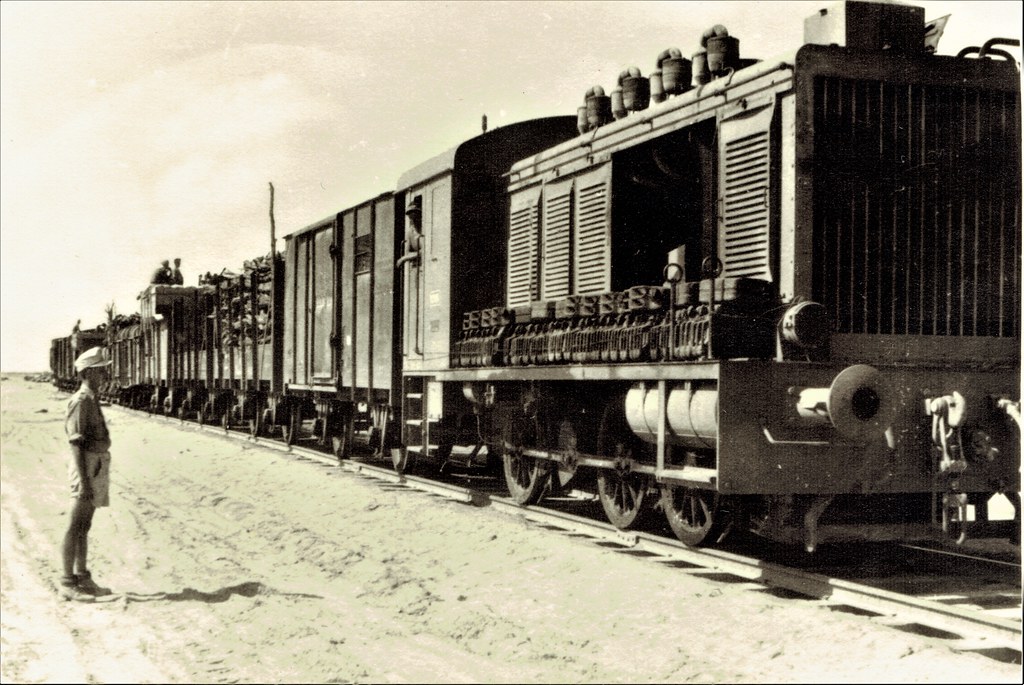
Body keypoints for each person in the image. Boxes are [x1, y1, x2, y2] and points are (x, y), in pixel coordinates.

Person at [59, 346, 113, 601]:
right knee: (75, 525)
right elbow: (76, 444)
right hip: (86, 467)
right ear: (89, 372)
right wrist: (84, 481)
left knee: (85, 525)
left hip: (95, 465)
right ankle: (67, 582)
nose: (106, 374)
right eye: (102, 370)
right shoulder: (81, 401)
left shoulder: (91, 398)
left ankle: (82, 577)